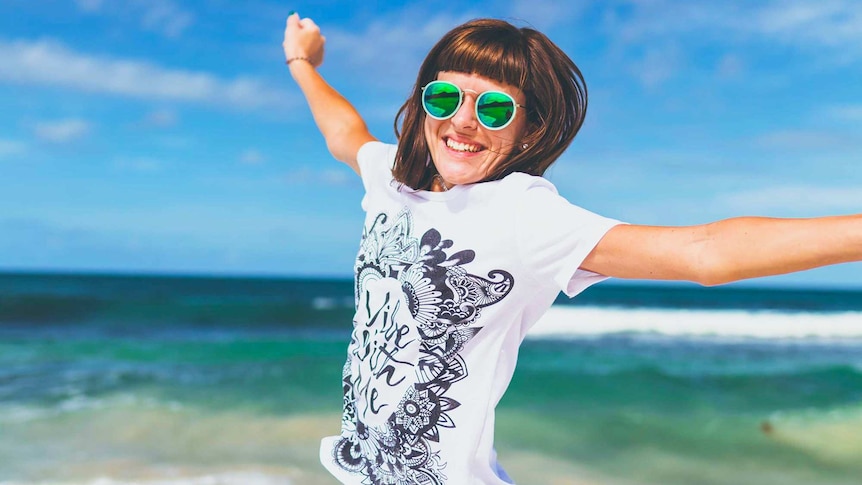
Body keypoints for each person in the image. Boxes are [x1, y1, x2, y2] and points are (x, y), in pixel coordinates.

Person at [283, 12, 861, 485]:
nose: (462, 122)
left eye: (493, 108)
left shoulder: (523, 214)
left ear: (528, 130)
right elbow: (345, 135)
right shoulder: (392, 177)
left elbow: (705, 252)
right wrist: (302, 63)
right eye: (445, 98)